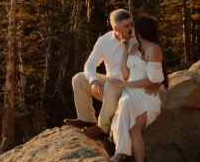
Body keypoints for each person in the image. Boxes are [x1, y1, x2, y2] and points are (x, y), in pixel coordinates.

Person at [67, 9, 160, 138]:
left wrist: (157, 83)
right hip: (110, 85)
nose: (131, 28)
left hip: (130, 88)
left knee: (111, 85)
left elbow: (156, 61)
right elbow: (89, 64)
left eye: (131, 24)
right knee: (79, 78)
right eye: (126, 26)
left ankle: (102, 128)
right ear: (116, 28)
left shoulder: (138, 39)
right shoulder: (104, 40)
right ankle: (87, 119)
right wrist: (93, 81)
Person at [106, 14, 167, 162]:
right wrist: (125, 50)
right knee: (125, 105)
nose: (131, 29)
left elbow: (153, 80)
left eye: (134, 27)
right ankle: (122, 154)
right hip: (130, 93)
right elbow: (125, 73)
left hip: (146, 97)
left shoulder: (153, 49)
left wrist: (125, 84)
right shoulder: (134, 48)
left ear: (141, 30)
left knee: (134, 127)